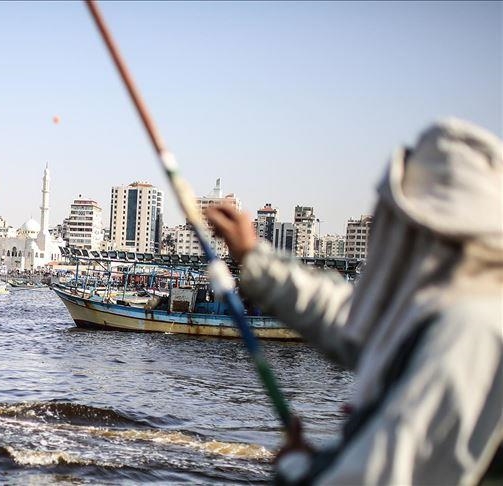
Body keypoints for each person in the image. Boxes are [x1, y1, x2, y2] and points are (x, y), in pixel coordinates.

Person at [205, 118, 502, 484]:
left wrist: (296, 465)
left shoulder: (469, 330)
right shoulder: (447, 310)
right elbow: (355, 320)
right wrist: (254, 257)